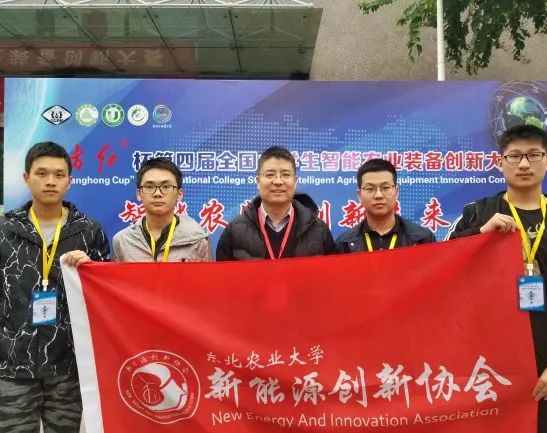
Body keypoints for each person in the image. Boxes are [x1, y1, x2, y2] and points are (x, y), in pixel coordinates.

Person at [449, 124, 547, 433]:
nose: (523, 164)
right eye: (514, 156)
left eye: (533, 155)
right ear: (499, 162)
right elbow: (445, 269)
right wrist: (479, 235)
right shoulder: (477, 215)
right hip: (487, 364)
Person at [0, 141, 109, 433]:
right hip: (11, 364)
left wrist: (91, 269)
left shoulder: (89, 232)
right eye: (42, 173)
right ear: (26, 178)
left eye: (59, 175)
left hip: (68, 364)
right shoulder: (5, 230)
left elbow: (106, 299)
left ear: (70, 181)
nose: (50, 181)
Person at [66, 158, 211, 265]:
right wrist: (88, 267)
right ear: (139, 194)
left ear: (179, 194)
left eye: (166, 187)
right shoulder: (122, 241)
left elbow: (206, 286)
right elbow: (115, 286)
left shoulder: (198, 239)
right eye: (149, 187)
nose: (157, 193)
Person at [216, 146, 334, 260]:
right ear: (258, 181)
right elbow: (222, 273)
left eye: (285, 175)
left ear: (295, 181)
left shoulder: (319, 231)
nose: (278, 181)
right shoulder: (234, 231)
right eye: (270, 175)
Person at [335, 158, 435, 253]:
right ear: (359, 195)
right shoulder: (344, 244)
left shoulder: (423, 239)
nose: (378, 195)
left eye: (385, 187)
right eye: (370, 189)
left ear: (397, 192)